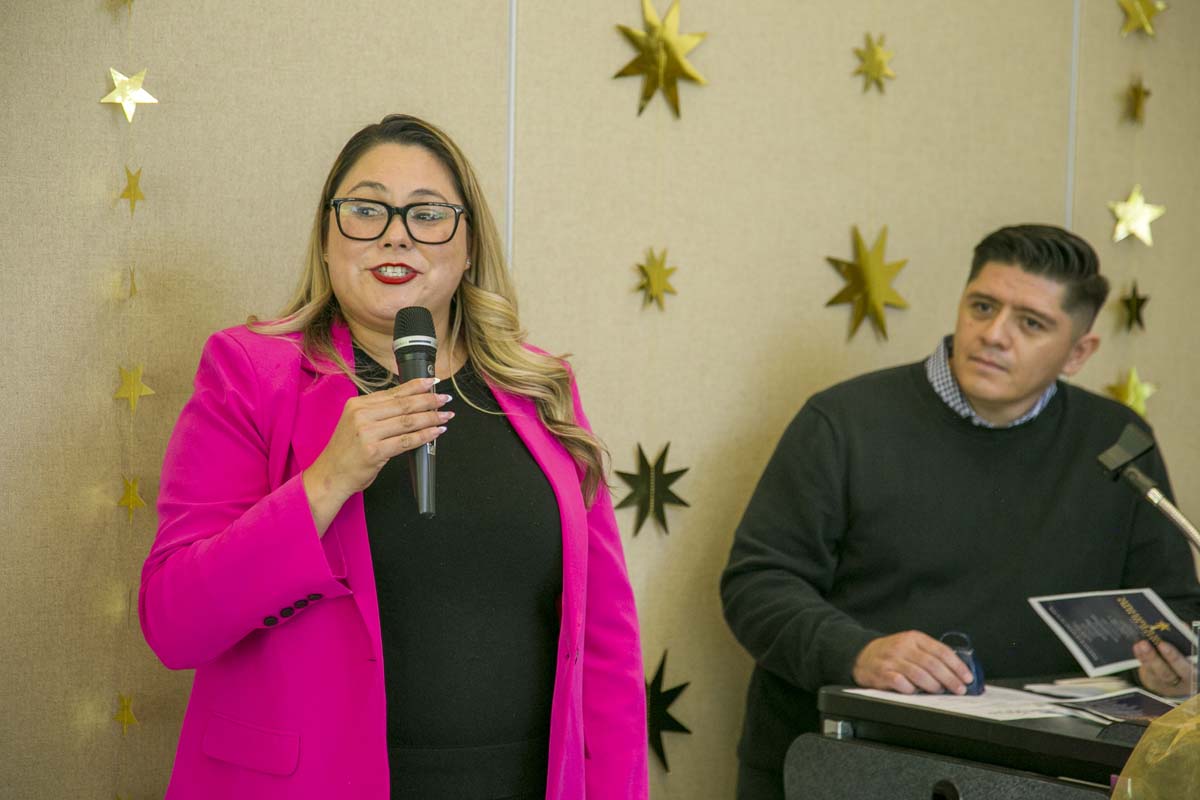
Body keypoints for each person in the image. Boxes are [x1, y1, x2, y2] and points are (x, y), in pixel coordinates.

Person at [139, 114, 647, 800]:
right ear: (326, 239)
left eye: (428, 213)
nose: (396, 232)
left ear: (468, 246)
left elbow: (607, 646)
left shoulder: (540, 388)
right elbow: (175, 622)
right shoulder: (250, 373)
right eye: (366, 209)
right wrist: (325, 481)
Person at [720, 224, 1200, 799]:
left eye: (1031, 323)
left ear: (1079, 352)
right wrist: (856, 651)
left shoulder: (1117, 441)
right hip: (842, 761)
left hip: (1038, 776)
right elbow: (757, 583)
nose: (994, 335)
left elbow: (1171, 609)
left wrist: (1167, 667)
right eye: (982, 305)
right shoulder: (844, 421)